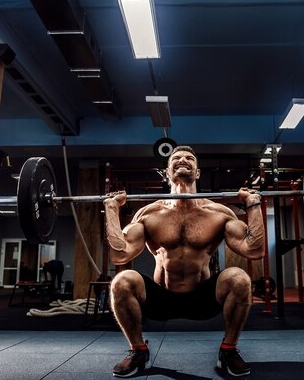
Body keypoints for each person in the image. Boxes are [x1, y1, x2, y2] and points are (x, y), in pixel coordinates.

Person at [103, 145, 265, 377]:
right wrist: (111, 209)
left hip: (203, 298)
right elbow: (121, 254)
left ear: (197, 172)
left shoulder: (219, 213)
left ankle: (228, 350)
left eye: (189, 158)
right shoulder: (149, 213)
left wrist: (253, 204)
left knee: (239, 278)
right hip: (161, 298)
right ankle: (138, 350)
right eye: (176, 158)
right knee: (121, 281)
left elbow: (255, 250)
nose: (183, 160)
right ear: (168, 172)